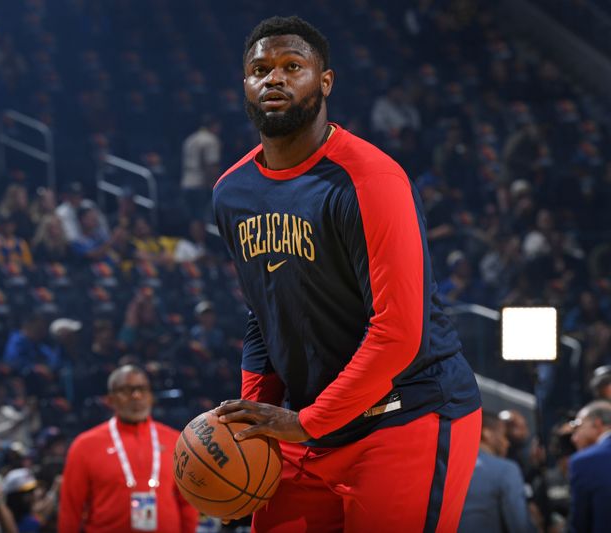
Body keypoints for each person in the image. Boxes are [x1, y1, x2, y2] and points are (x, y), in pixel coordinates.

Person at [212, 16, 482, 532]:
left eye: (293, 67)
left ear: (325, 82)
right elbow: (262, 316)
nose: (275, 79)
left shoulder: (370, 179)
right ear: (244, 85)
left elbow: (399, 332)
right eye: (260, 69)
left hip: (405, 414)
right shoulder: (232, 192)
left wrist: (305, 422)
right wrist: (254, 419)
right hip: (311, 427)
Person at [58, 365, 198, 532]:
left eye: (142, 389)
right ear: (110, 400)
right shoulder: (84, 446)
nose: (136, 396)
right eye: (126, 390)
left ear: (151, 396)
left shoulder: (176, 441)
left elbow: (188, 504)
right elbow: (70, 510)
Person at [458, 412, 534, 533]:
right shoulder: (506, 470)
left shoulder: (451, 467)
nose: (507, 443)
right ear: (486, 433)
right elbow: (519, 526)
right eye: (504, 435)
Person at [569, 401, 611, 533]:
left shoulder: (585, 461)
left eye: (578, 426)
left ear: (597, 424)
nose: (574, 438)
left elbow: (580, 524)